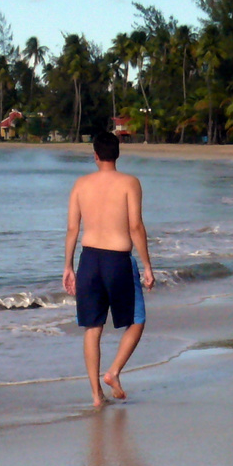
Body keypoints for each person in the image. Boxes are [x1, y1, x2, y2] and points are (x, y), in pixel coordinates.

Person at [64, 132, 155, 408]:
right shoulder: (130, 183)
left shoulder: (80, 184)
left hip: (89, 260)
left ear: (95, 155)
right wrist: (148, 265)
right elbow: (135, 226)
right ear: (118, 154)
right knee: (136, 320)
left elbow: (72, 229)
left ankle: (95, 396)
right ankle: (113, 372)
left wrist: (67, 266)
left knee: (93, 328)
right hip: (118, 260)